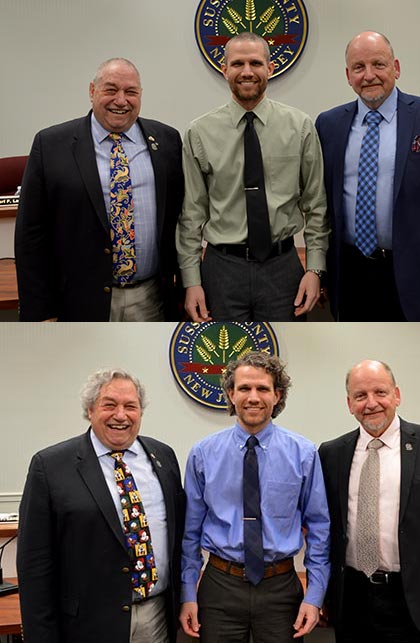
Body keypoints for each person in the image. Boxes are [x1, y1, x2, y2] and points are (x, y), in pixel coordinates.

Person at [17, 368, 186, 643]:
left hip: (156, 618)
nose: (121, 415)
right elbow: (34, 566)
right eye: (109, 405)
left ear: (140, 412)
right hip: (87, 625)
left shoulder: (163, 457)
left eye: (130, 406)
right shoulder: (50, 466)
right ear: (90, 409)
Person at [316, 31, 420, 321]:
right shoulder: (328, 124)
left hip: (416, 274)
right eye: (359, 68)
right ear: (348, 75)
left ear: (396, 68)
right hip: (349, 272)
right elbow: (322, 207)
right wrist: (321, 272)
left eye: (379, 64)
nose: (369, 75)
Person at [15, 58, 184, 321]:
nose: (121, 100)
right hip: (78, 301)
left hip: (152, 299)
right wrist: (40, 311)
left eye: (131, 92)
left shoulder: (167, 140)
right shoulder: (50, 145)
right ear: (92, 91)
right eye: (110, 89)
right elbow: (30, 236)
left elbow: (181, 218)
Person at [176, 32, 329, 321]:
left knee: (284, 357)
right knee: (226, 361)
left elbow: (316, 205)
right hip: (222, 270)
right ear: (225, 70)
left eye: (256, 63)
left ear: (270, 68)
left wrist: (315, 269)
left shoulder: (300, 127)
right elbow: (191, 215)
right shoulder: (199, 132)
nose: (247, 72)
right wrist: (191, 280)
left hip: (282, 268)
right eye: (238, 64)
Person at [180, 352, 330, 642]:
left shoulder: (304, 453)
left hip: (281, 590)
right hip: (220, 587)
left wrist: (314, 596)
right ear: (230, 394)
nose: (253, 397)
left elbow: (319, 528)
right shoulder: (202, 454)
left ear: (277, 395)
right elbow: (190, 533)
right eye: (244, 388)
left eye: (262, 389)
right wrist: (188, 593)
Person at [318, 360, 420, 642]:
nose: (371, 403)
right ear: (349, 404)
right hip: (351, 597)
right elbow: (325, 530)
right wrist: (323, 594)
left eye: (380, 393)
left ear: (396, 395)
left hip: (412, 597)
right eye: (360, 396)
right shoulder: (331, 453)